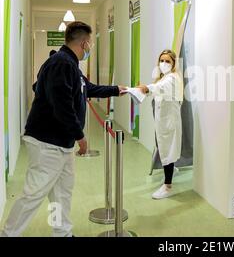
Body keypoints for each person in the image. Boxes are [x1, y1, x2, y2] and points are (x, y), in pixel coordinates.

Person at [0, 21, 127, 237]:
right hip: (47, 142)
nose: (90, 49)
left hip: (61, 144)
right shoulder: (61, 63)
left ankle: (62, 232)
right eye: (90, 45)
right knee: (33, 194)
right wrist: (81, 136)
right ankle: (8, 233)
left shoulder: (70, 65)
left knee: (61, 192)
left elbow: (89, 89)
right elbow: (62, 105)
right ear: (85, 43)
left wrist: (118, 90)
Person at [138, 49, 183, 200]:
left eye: (167, 61)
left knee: (167, 150)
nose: (163, 63)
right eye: (161, 60)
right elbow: (158, 89)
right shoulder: (165, 77)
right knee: (166, 148)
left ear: (174, 63)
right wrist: (146, 89)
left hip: (168, 122)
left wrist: (148, 88)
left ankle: (167, 186)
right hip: (164, 121)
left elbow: (160, 88)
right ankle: (171, 171)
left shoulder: (172, 78)